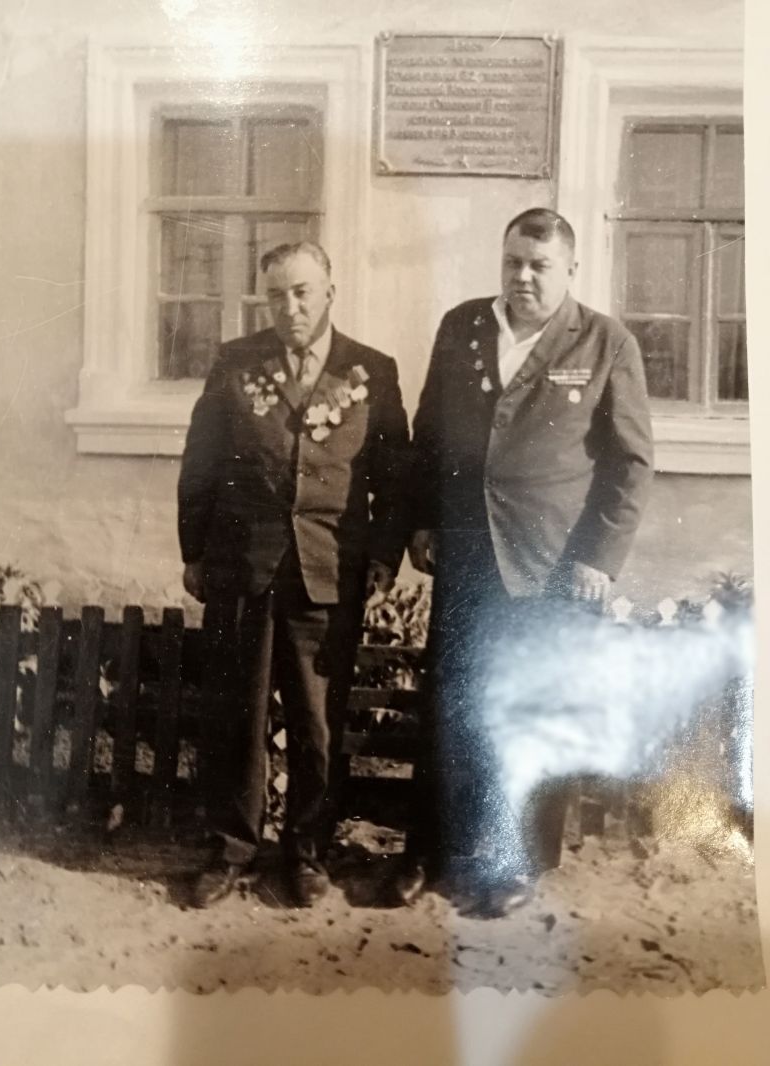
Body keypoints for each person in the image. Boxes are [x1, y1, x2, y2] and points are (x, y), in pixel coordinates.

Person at [396, 208, 654, 912]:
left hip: (551, 564)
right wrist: (423, 518)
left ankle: (516, 864)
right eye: (513, 262)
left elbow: (631, 463)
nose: (523, 277)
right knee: (450, 703)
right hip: (467, 554)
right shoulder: (462, 327)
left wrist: (599, 557)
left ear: (570, 270)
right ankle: (430, 852)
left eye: (540, 266)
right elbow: (429, 431)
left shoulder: (605, 342)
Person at [178, 241, 409, 908]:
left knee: (318, 723)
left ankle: (307, 853)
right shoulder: (235, 362)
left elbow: (395, 478)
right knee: (237, 715)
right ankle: (232, 849)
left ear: (329, 292)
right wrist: (195, 551)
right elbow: (200, 463)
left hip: (328, 570)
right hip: (242, 566)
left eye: (302, 292)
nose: (290, 307)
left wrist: (383, 556)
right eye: (276, 295)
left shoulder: (373, 370)